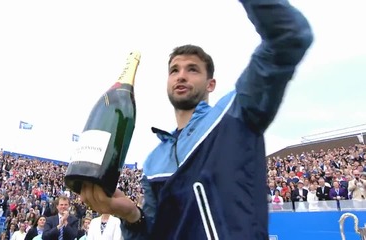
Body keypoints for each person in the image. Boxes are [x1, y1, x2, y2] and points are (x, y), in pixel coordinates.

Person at [80, 0, 313, 238]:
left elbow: (290, 36)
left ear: (211, 84)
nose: (181, 76)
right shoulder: (153, 162)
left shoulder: (236, 113)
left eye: (192, 69)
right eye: (174, 70)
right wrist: (131, 216)